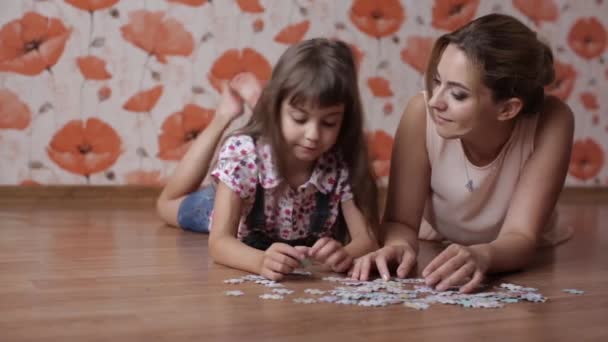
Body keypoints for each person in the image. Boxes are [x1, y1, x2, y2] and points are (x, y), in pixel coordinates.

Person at [350, 13, 574, 293]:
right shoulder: (420, 113)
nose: (435, 101)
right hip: (438, 237)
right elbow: (400, 221)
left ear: (507, 109)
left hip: (517, 248)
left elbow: (521, 235)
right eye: (436, 81)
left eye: (457, 95)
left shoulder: (553, 120)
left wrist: (483, 256)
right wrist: (398, 246)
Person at [157, 38, 379, 281]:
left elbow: (366, 239)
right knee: (167, 205)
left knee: (293, 133)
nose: (313, 135)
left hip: (269, 182)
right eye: (299, 118)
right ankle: (226, 114)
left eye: (329, 122)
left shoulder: (341, 159)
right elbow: (219, 242)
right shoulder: (242, 154)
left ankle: (263, 107)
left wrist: (345, 254)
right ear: (279, 110)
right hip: (238, 196)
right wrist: (259, 260)